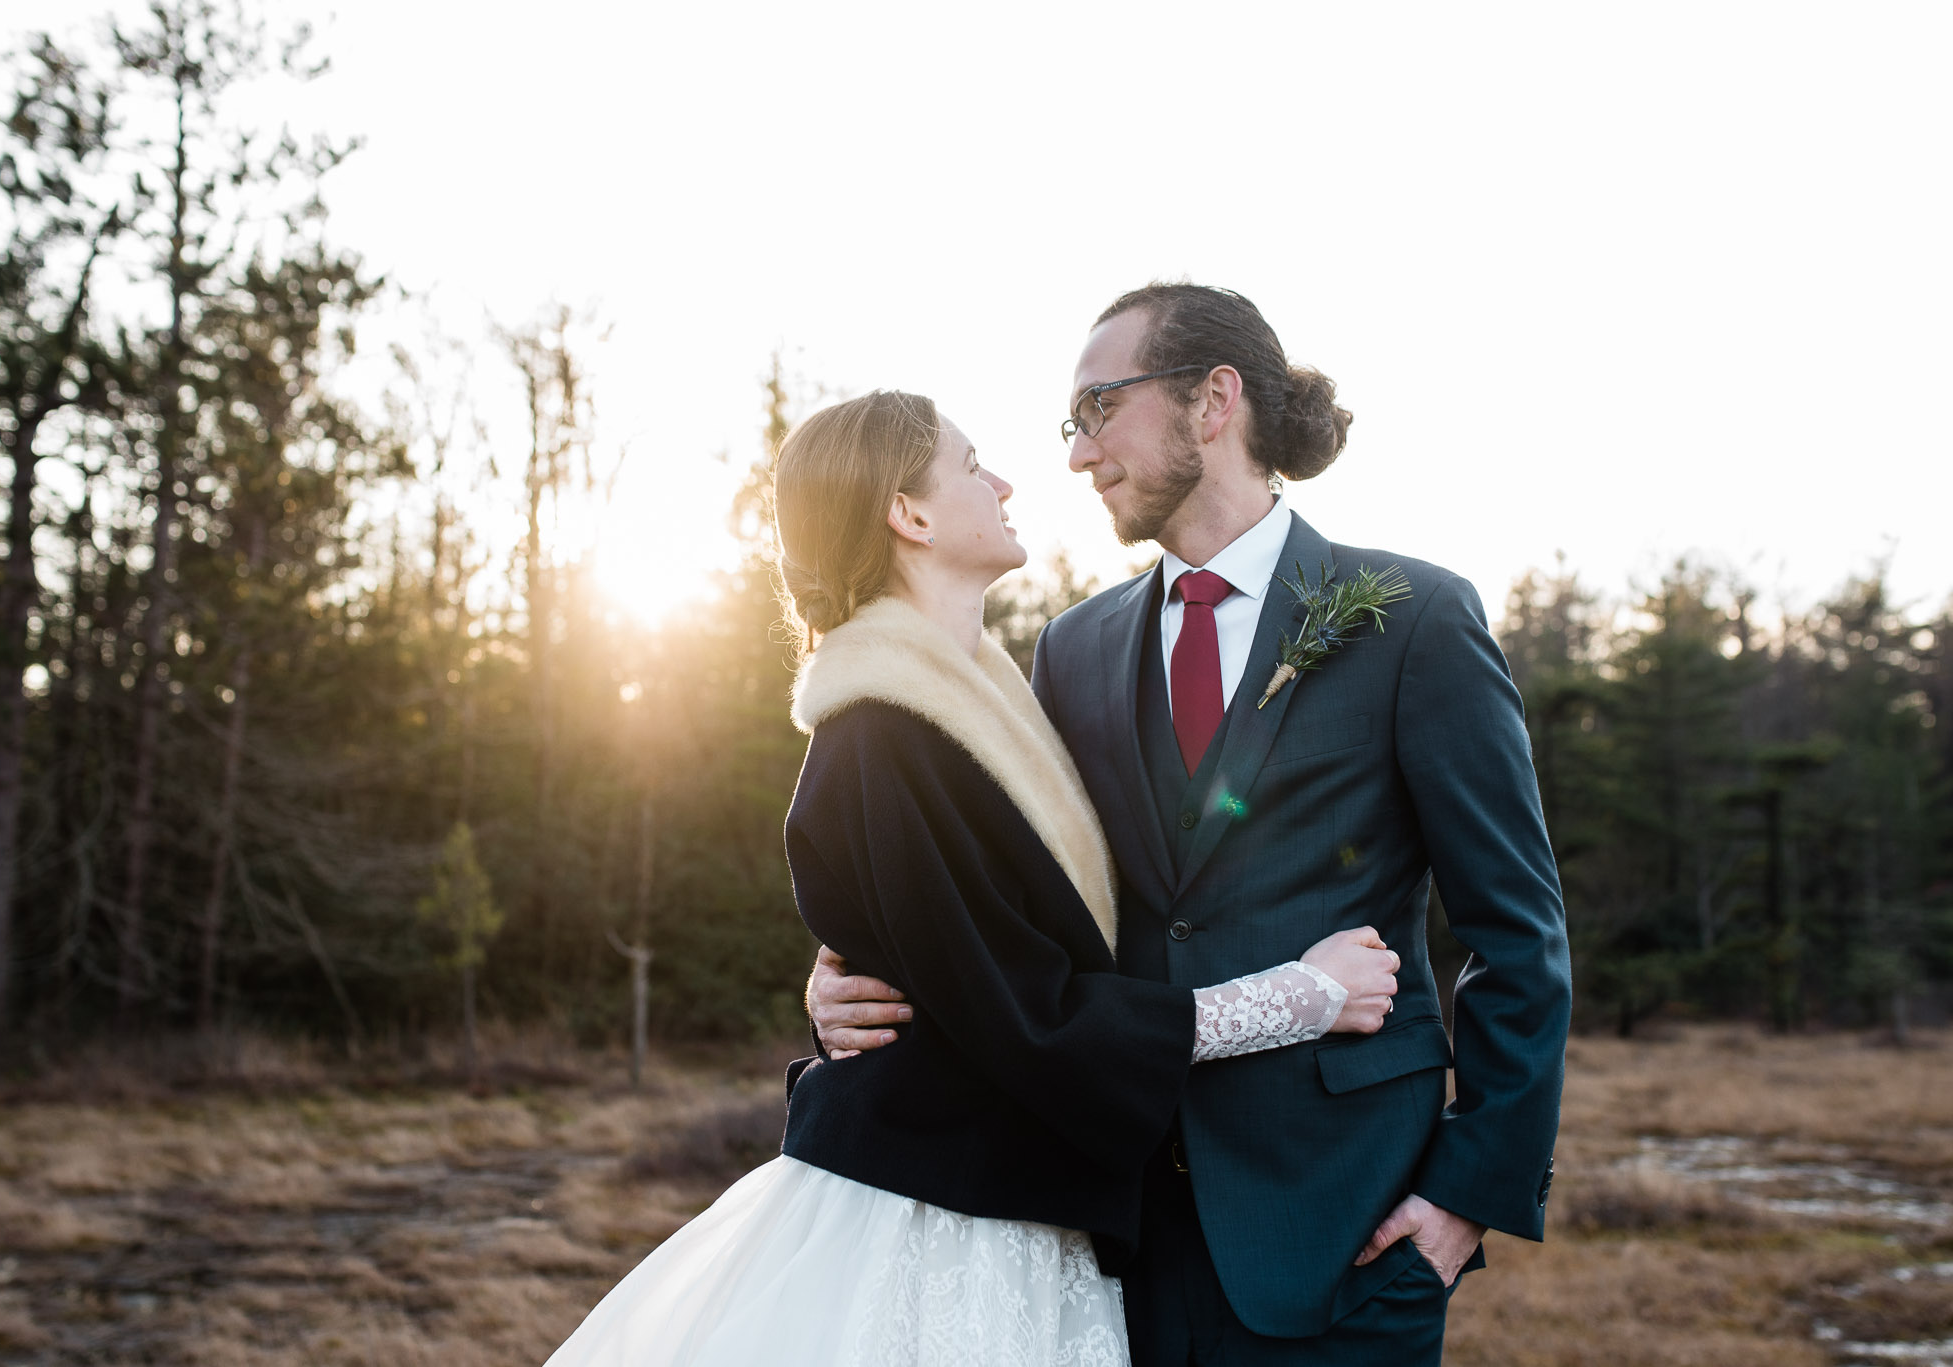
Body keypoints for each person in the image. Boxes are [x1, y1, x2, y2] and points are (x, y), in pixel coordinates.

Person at [543, 389, 1405, 1367]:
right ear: (907, 514)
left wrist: (858, 978)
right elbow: (1022, 1012)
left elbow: (973, 953)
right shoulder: (878, 731)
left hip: (1015, 1196)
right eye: (969, 464)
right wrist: (1301, 996)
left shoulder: (984, 708)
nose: (1001, 481)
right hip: (937, 1218)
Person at [808, 284, 1573, 1367]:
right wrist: (849, 976)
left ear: (1212, 401)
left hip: (1349, 1230)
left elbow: (1515, 931)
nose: (1076, 455)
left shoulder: (1416, 619)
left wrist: (1464, 1194)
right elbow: (999, 892)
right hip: (1110, 1232)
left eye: (1094, 409)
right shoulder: (1068, 650)